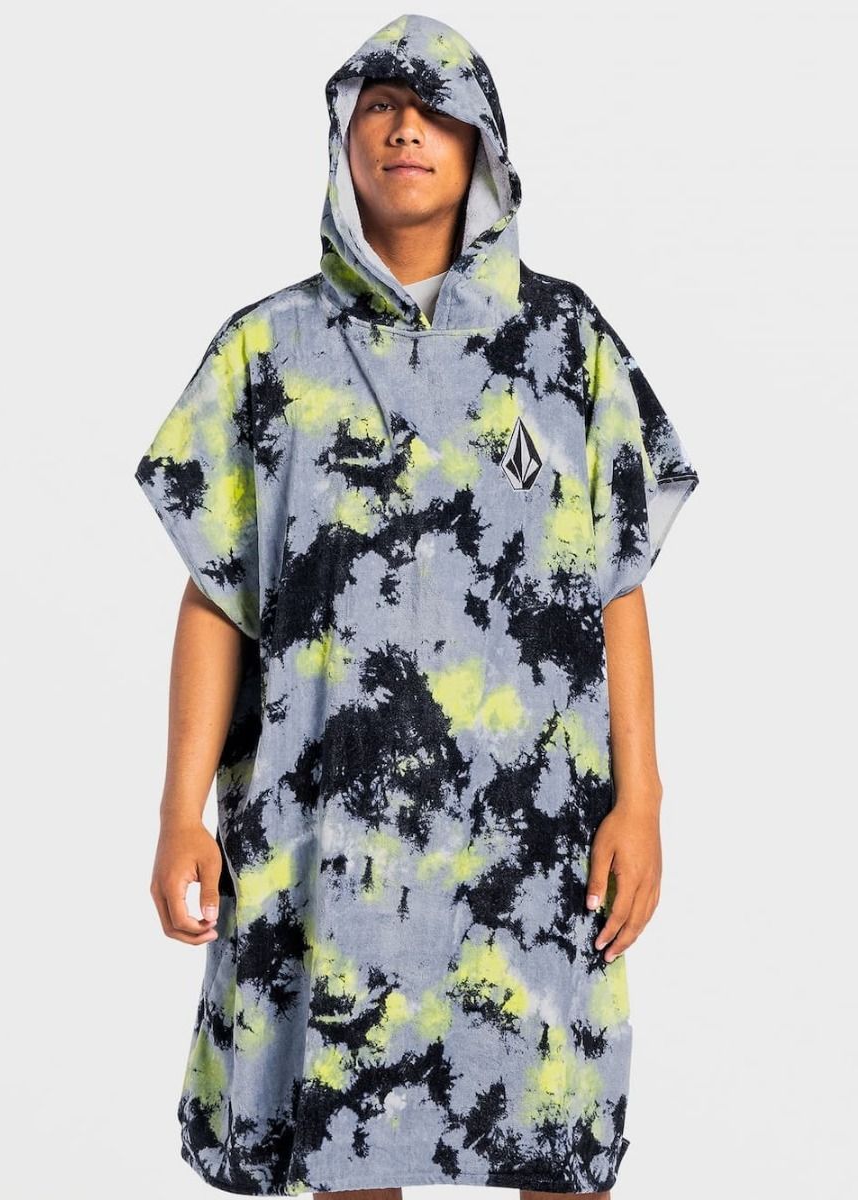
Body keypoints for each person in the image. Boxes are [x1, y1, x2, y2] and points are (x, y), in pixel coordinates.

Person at [134, 12, 700, 1200]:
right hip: (328, 819)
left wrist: (642, 799)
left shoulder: (566, 346)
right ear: (345, 140)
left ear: (483, 142)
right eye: (381, 107)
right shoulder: (265, 353)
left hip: (534, 828)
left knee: (559, 1135)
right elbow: (217, 595)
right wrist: (181, 809)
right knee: (343, 1131)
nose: (405, 130)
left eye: (436, 109)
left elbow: (618, 583)